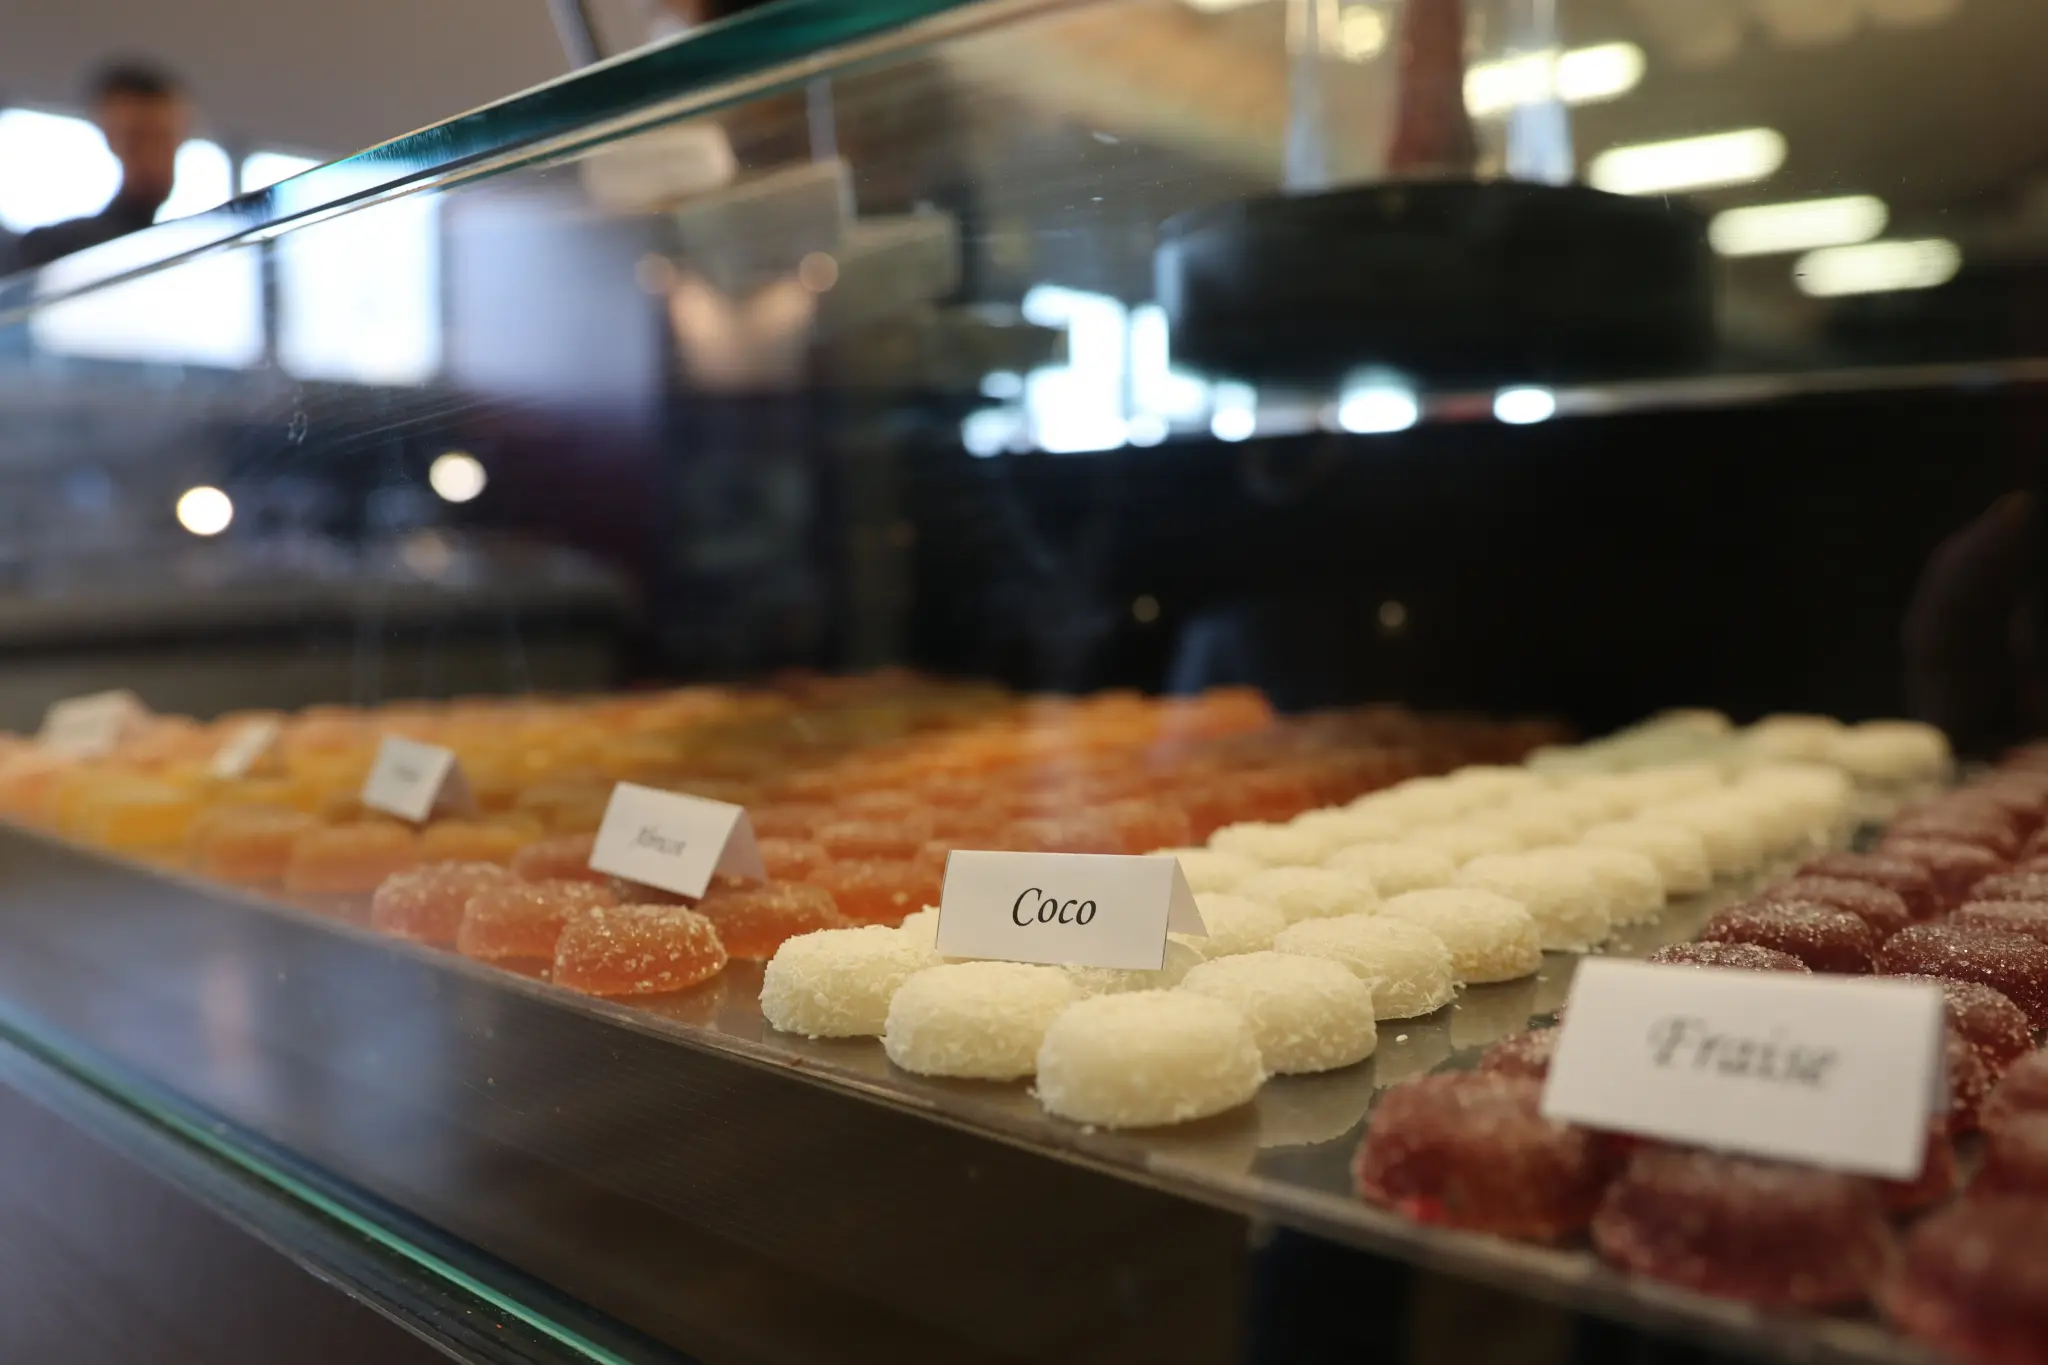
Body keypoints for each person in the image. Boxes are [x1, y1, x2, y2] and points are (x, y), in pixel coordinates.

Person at [14, 62, 189, 269]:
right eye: (137, 139)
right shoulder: (54, 246)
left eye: (165, 139)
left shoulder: (186, 241)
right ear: (111, 140)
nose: (153, 155)